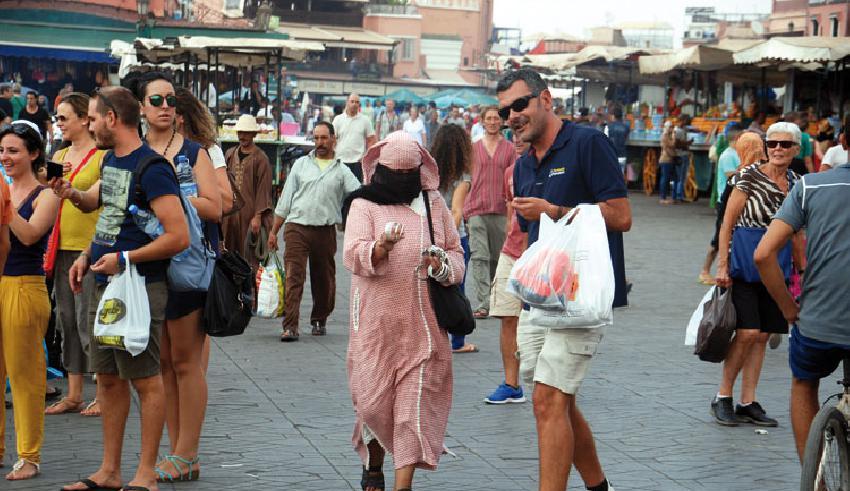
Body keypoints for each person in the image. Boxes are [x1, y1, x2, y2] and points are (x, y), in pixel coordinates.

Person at [52, 86, 189, 491]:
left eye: (93, 117)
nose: (89, 124)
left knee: (146, 378)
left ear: (112, 118)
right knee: (108, 378)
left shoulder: (153, 168)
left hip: (139, 286)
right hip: (103, 281)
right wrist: (85, 252)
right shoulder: (112, 159)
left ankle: (146, 473)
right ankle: (109, 470)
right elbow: (106, 210)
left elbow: (178, 235)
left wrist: (126, 259)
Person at [500, 68, 630, 491]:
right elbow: (534, 237)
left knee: (548, 399)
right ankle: (598, 486)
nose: (513, 115)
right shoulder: (523, 165)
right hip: (540, 297)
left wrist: (554, 210)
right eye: (505, 110)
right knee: (558, 400)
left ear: (546, 100)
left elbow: (621, 216)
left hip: (581, 296)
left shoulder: (588, 143)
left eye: (520, 104)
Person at [342, 131, 463, 491]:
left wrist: (441, 265)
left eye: (406, 175)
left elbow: (455, 252)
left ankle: (402, 485)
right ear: (379, 171)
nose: (400, 183)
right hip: (375, 329)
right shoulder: (364, 205)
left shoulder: (432, 202)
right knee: (374, 402)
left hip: (423, 331)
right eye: (393, 174)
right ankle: (374, 464)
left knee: (411, 410)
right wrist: (380, 248)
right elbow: (353, 253)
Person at [133, 73, 222, 484]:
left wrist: (169, 198)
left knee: (187, 363)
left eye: (170, 99)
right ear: (142, 108)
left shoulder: (194, 151)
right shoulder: (134, 152)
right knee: (163, 362)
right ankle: (176, 452)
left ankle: (188, 452)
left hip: (186, 267)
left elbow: (215, 206)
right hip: (148, 267)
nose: (165, 105)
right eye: (157, 99)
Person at [754, 128, 850, 462]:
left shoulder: (809, 187)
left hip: (817, 322)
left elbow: (763, 255)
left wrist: (788, 308)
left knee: (805, 381)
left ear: (843, 142)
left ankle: (814, 479)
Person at [712, 122, 804, 428]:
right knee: (748, 332)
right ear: (765, 148)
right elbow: (727, 223)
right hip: (744, 263)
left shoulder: (796, 183)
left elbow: (798, 233)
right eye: (772, 143)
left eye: (785, 144)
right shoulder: (747, 177)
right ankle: (723, 396)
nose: (777, 149)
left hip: (778, 269)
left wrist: (802, 272)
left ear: (796, 149)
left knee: (763, 335)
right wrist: (722, 265)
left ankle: (747, 401)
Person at [0, 121, 57, 480]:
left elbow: (33, 233)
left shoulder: (47, 192)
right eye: (3, 151)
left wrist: (5, 207)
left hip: (25, 285)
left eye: (14, 151)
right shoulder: (4, 190)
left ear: (33, 153)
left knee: (24, 376)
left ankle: (29, 456)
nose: (6, 157)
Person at [269, 122, 360, 342]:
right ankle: (290, 326)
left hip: (325, 231)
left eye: (324, 138)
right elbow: (285, 200)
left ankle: (319, 319)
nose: (319, 143)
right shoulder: (301, 164)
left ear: (333, 139)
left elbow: (359, 194)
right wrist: (274, 231)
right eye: (316, 138)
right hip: (297, 228)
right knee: (294, 276)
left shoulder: (341, 170)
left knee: (324, 279)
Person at [44, 93, 106, 418]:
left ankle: (103, 392)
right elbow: (49, 193)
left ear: (84, 119)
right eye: (57, 118)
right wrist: (51, 180)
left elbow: (103, 203)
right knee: (66, 319)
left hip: (90, 248)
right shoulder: (60, 153)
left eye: (64, 117)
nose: (60, 123)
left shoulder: (102, 156)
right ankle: (74, 393)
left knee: (88, 320)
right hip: (62, 245)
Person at [484, 131, 529, 404]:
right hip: (511, 252)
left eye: (526, 134)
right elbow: (510, 209)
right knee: (507, 316)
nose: (520, 140)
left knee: (543, 323)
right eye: (516, 135)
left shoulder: (551, 170)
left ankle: (550, 384)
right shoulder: (511, 171)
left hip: (541, 255)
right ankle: (512, 384)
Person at [430, 123, 477, 354]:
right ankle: (457, 341)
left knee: (431, 289)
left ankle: (432, 337)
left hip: (428, 235)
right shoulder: (463, 175)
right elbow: (457, 211)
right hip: (455, 239)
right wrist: (448, 240)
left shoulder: (429, 171)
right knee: (457, 287)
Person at [463, 106, 513, 319]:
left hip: (502, 210)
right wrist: (462, 208)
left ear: (502, 122)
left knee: (497, 258)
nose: (493, 122)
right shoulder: (472, 149)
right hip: (476, 209)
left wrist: (513, 216)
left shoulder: (510, 149)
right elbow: (465, 180)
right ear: (482, 121)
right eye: (489, 118)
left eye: (496, 118)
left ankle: (496, 299)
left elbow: (513, 182)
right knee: (480, 256)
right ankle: (484, 303)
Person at [222, 114, 273, 273]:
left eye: (246, 132)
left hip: (249, 213)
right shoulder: (230, 154)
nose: (242, 136)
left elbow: (263, 189)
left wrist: (258, 216)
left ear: (254, 134)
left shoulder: (261, 158)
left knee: (249, 257)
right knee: (228, 252)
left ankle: (250, 294)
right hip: (230, 213)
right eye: (240, 132)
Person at [174, 87, 234, 215]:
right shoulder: (156, 149)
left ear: (182, 118)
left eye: (170, 109)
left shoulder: (209, 149)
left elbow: (228, 202)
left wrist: (197, 178)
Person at [698, 124, 742, 284]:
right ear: (737, 138)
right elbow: (732, 176)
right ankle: (705, 270)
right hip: (725, 202)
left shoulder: (736, 154)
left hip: (734, 201)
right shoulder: (728, 155)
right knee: (718, 238)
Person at [333, 93, 376, 183]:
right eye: (352, 101)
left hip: (357, 162)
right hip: (340, 161)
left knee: (355, 190)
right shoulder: (338, 119)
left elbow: (371, 139)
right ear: (347, 103)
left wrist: (366, 156)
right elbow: (332, 139)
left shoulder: (365, 120)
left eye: (357, 102)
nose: (354, 104)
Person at [673, 115, 692, 202]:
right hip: (681, 155)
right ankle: (679, 195)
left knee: (680, 176)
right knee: (681, 176)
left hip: (680, 155)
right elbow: (677, 144)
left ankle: (678, 195)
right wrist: (687, 143)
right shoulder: (679, 131)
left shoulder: (678, 130)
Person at [606, 107, 629, 175]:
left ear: (613, 116)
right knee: (620, 177)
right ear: (622, 116)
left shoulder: (608, 127)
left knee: (611, 177)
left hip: (611, 155)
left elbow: (605, 141)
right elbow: (626, 139)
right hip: (622, 155)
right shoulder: (626, 127)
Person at [658, 121, 677, 205]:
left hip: (667, 159)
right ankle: (663, 197)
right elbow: (672, 144)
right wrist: (674, 136)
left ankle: (666, 196)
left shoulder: (666, 135)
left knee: (667, 178)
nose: (672, 129)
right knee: (665, 179)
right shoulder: (665, 136)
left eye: (672, 127)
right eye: (670, 127)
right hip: (666, 159)